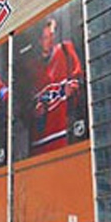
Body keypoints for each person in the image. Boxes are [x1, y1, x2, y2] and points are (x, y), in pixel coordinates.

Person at [31, 18, 83, 155]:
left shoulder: (66, 50)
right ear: (40, 41)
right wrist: (37, 109)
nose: (50, 40)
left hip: (64, 134)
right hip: (40, 143)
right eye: (46, 37)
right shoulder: (33, 69)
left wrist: (72, 89)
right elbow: (26, 109)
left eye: (52, 35)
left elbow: (79, 79)